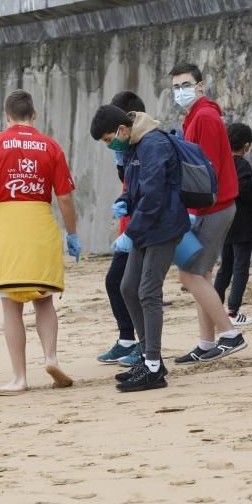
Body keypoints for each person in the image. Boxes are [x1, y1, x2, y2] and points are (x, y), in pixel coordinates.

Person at [0, 90, 79, 395]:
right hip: (40, 223)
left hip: (7, 224)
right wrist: (73, 234)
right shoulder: (51, 146)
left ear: (7, 115)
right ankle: (51, 357)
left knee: (11, 306)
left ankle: (20, 378)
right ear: (34, 115)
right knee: (44, 299)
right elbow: (64, 197)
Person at [90, 104, 190, 392]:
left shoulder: (153, 144)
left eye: (109, 140)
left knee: (148, 291)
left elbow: (155, 195)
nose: (110, 146)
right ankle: (148, 358)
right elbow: (138, 190)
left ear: (122, 129)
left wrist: (131, 232)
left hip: (163, 226)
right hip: (145, 227)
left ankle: (154, 366)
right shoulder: (134, 145)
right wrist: (126, 204)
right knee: (127, 287)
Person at [169, 62, 248, 365]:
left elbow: (205, 169)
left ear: (200, 86)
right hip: (210, 206)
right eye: (176, 87)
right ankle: (206, 342)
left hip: (212, 207)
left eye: (186, 85)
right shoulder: (195, 116)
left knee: (189, 273)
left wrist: (187, 209)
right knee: (200, 273)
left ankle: (230, 334)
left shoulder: (204, 116)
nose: (181, 91)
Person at [96, 90, 145, 367]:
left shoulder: (148, 145)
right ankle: (129, 339)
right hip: (132, 225)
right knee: (120, 283)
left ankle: (147, 347)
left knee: (136, 287)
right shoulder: (128, 149)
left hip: (143, 227)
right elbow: (128, 184)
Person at [213, 122, 252, 326]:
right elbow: (243, 190)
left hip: (224, 223)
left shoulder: (221, 163)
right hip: (241, 224)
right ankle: (233, 311)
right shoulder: (242, 165)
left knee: (225, 267)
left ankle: (214, 307)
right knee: (240, 268)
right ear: (247, 145)